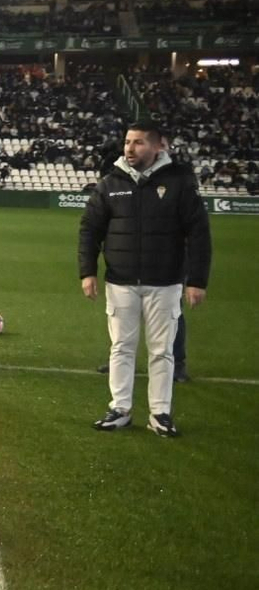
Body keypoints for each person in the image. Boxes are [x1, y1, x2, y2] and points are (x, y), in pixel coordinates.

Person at [79, 120, 211, 437]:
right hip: (120, 281)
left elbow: (199, 233)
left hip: (165, 282)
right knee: (121, 347)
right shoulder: (110, 182)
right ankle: (120, 409)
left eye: (138, 142)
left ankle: (160, 413)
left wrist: (197, 280)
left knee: (161, 351)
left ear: (158, 146)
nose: (130, 148)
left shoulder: (179, 182)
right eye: (127, 141)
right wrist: (87, 271)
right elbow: (89, 229)